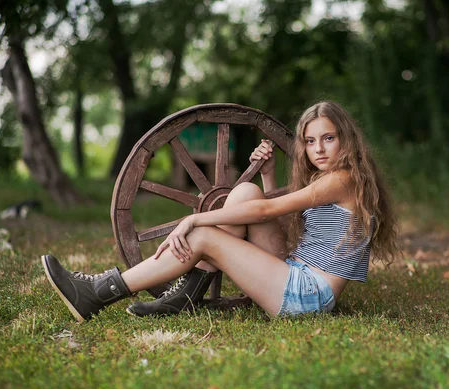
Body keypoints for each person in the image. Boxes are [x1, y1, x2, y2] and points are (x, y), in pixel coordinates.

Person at [41, 101, 399, 322]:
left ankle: (98, 292)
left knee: (204, 234)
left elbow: (267, 210)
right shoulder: (333, 179)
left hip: (307, 295)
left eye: (328, 138)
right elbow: (286, 219)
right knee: (244, 192)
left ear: (346, 139)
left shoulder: (342, 179)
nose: (318, 148)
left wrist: (194, 217)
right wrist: (268, 174)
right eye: (309, 141)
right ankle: (186, 293)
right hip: (295, 275)